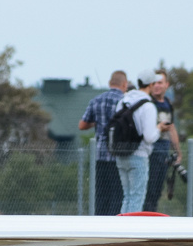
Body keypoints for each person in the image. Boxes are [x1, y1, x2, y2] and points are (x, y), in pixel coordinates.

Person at [78, 71, 129, 216]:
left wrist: (99, 122)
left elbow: (82, 125)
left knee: (100, 194)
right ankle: (114, 224)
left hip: (100, 155)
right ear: (124, 84)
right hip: (118, 155)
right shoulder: (125, 102)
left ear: (109, 83)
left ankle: (99, 223)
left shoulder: (96, 100)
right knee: (117, 194)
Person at [113, 73, 161, 213]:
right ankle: (131, 231)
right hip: (139, 154)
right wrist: (159, 128)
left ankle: (121, 228)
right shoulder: (148, 106)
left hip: (120, 153)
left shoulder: (123, 101)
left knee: (127, 196)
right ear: (151, 84)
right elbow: (149, 137)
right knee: (137, 197)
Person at [141, 69, 182, 212]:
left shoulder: (168, 104)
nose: (157, 86)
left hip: (163, 153)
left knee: (157, 191)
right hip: (150, 152)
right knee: (148, 191)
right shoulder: (147, 103)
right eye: (155, 83)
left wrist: (178, 152)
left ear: (166, 84)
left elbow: (172, 128)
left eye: (160, 83)